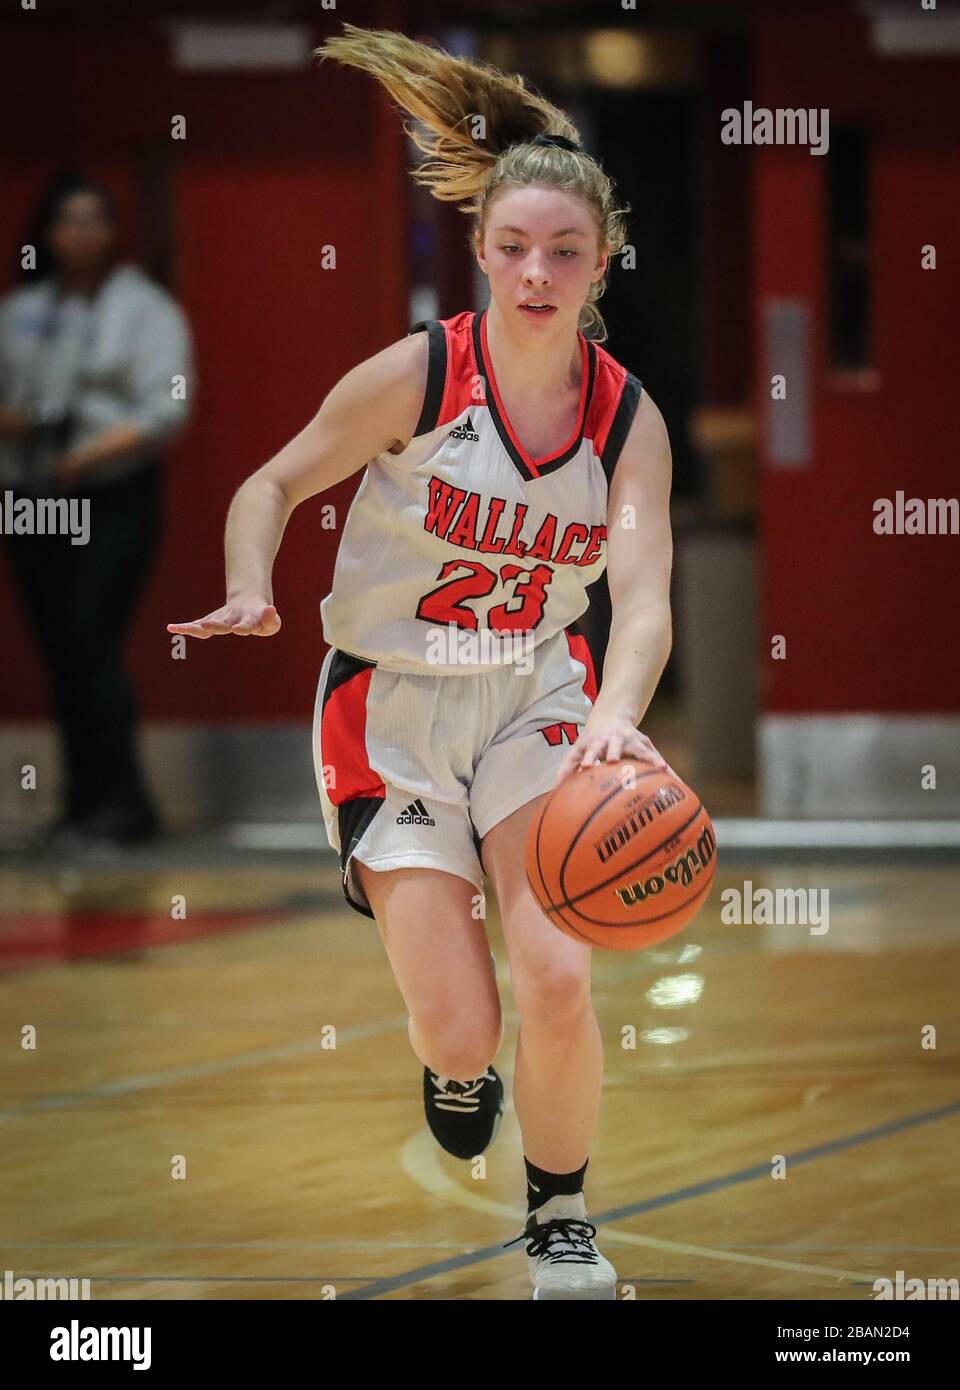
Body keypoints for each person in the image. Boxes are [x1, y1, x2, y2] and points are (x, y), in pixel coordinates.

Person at [168, 24, 674, 1301]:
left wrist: (616, 714)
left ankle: (559, 1216)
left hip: (532, 695)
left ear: (603, 258)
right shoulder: (420, 373)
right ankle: (455, 1064)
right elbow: (271, 482)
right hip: (386, 707)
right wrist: (247, 584)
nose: (538, 272)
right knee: (464, 1023)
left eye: (566, 251)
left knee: (558, 968)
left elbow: (648, 599)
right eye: (514, 248)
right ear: (482, 251)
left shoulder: (625, 417)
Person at [0, 171, 194, 849]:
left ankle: (125, 804)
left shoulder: (144, 308)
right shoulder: (23, 310)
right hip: (28, 495)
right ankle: (80, 805)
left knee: (89, 641)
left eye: (93, 220)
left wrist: (87, 452)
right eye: (66, 221)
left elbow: (167, 409)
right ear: (46, 234)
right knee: (59, 650)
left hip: (109, 492)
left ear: (113, 232)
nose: (79, 235)